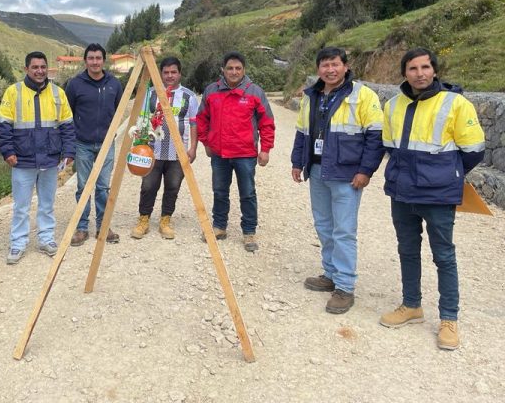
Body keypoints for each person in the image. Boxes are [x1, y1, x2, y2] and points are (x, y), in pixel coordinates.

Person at [379, 48, 485, 351]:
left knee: (444, 256)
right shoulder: (393, 105)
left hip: (438, 194)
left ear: (435, 70)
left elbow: (474, 150)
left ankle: (449, 319)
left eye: (425, 67)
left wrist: (446, 173)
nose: (420, 73)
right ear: (404, 73)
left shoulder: (455, 103)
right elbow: (390, 146)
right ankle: (411, 304)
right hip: (402, 192)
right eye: (413, 68)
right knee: (407, 250)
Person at [291, 47, 384, 314]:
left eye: (335, 64)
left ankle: (344, 287)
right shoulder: (311, 95)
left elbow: (376, 136)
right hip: (317, 170)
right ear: (318, 69)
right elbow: (302, 132)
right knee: (323, 225)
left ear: (345, 66)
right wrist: (297, 162)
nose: (330, 70)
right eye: (325, 65)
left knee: (344, 230)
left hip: (347, 174)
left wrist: (366, 171)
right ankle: (330, 274)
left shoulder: (362, 95)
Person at [0, 51, 75, 264]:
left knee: (47, 204)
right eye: (35, 67)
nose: (40, 71)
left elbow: (67, 125)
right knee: (21, 206)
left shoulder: (58, 93)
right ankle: (18, 243)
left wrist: (69, 152)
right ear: (26, 69)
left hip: (50, 159)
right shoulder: (13, 92)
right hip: (22, 160)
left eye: (43, 67)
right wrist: (8, 152)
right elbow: (3, 126)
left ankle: (46, 239)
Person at [196, 51, 275, 252]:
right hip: (219, 154)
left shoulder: (255, 92)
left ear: (244, 70)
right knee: (219, 191)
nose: (234, 72)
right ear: (222, 70)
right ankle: (219, 226)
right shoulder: (211, 91)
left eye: (238, 68)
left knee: (247, 193)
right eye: (230, 68)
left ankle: (249, 232)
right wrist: (206, 142)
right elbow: (202, 119)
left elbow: (267, 122)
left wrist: (265, 149)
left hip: (245, 154)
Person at [131, 56, 198, 240]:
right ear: (160, 74)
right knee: (148, 186)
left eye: (173, 72)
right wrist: (139, 145)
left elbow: (194, 124)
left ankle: (165, 220)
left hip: (178, 153)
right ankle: (143, 219)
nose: (170, 76)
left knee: (173, 187)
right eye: (166, 72)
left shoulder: (189, 96)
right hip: (152, 151)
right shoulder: (151, 94)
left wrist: (193, 148)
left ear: (180, 73)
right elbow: (142, 121)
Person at [65, 43, 123, 246]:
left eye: (98, 58)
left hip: (107, 144)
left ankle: (102, 226)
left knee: (103, 187)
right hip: (83, 144)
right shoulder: (75, 84)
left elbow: (118, 110)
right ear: (85, 61)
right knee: (83, 187)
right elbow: (68, 113)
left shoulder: (114, 84)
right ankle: (82, 228)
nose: (95, 62)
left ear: (103, 60)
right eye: (91, 58)